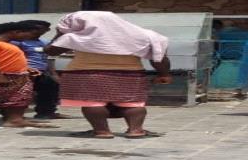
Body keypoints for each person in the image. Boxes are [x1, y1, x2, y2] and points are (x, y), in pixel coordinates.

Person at [45, 11, 172, 139]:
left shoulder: (73, 37)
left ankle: (102, 131)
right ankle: (136, 130)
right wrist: (164, 74)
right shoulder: (144, 35)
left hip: (86, 74)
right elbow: (160, 57)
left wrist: (60, 34)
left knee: (92, 103)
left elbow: (50, 51)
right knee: (133, 103)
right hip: (130, 75)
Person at [0, 21, 56, 128]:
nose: (29, 36)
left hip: (15, 76)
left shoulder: (7, 44)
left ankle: (14, 119)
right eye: (28, 33)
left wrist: (27, 69)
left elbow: (5, 59)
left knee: (16, 98)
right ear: (16, 32)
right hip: (0, 76)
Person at [11, 20, 70, 120]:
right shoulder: (18, 42)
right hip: (26, 70)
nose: (35, 31)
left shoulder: (44, 42)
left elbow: (50, 55)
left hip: (42, 70)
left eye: (39, 29)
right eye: (33, 28)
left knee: (50, 88)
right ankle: (12, 115)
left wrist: (52, 72)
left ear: (46, 30)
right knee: (20, 92)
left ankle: (46, 112)